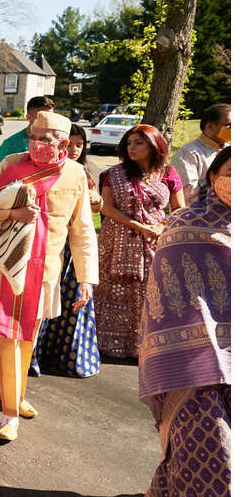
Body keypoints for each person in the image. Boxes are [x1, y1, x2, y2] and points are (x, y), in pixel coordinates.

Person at [0, 111, 98, 441]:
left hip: (46, 271)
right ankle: (9, 413)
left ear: (64, 144)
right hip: (7, 267)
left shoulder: (76, 174)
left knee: (27, 339)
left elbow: (82, 230)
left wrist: (86, 278)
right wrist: (14, 213)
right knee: (7, 337)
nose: (37, 143)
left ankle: (16, 396)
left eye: (46, 139)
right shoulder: (11, 163)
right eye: (34, 136)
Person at [138, 146, 230, 497]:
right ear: (213, 177)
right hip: (197, 364)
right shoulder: (182, 226)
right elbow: (172, 298)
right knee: (214, 455)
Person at [94, 124, 184, 359]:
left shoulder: (168, 173)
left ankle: (144, 346)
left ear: (154, 146)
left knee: (150, 292)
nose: (131, 147)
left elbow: (179, 209)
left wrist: (160, 226)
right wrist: (138, 226)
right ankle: (107, 343)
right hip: (116, 240)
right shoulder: (113, 174)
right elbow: (107, 207)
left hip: (155, 241)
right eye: (129, 143)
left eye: (139, 143)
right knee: (113, 290)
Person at [29, 123, 102, 378]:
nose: (72, 149)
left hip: (69, 257)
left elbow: (85, 226)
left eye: (78, 145)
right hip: (42, 253)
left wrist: (87, 278)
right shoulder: (22, 166)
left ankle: (56, 356)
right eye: (69, 144)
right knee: (35, 312)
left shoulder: (83, 174)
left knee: (60, 309)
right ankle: (28, 360)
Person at [170, 103, 230, 204]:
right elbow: (189, 196)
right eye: (229, 125)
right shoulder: (188, 154)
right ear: (210, 126)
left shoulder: (230, 149)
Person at [0, 96, 55, 163]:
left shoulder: (57, 142)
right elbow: (3, 172)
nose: (47, 121)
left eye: (50, 117)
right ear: (28, 117)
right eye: (41, 118)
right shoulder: (10, 144)